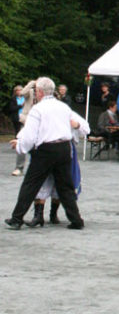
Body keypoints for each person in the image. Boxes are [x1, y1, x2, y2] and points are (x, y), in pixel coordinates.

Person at [5, 77, 85, 230]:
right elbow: (74, 125)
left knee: (31, 183)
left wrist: (20, 146)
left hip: (46, 149)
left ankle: (17, 218)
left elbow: (30, 135)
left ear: (39, 92)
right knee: (65, 185)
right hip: (64, 147)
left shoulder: (38, 109)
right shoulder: (63, 107)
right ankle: (76, 220)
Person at [26, 109, 90, 227]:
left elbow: (86, 129)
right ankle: (38, 215)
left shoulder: (69, 114)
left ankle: (53, 214)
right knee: (42, 181)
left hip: (63, 151)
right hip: (44, 150)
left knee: (61, 182)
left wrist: (77, 125)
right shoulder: (41, 114)